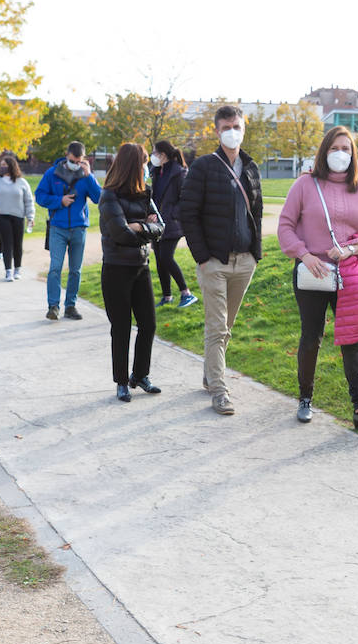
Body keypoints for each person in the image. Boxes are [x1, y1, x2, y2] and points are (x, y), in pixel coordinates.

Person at [277, 126, 358, 429]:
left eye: (346, 149)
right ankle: (305, 398)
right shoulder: (305, 185)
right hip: (312, 274)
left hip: (349, 277)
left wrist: (350, 249)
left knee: (352, 341)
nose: (341, 154)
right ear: (324, 151)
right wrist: (305, 254)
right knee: (311, 337)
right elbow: (285, 226)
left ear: (353, 155)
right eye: (334, 148)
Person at [178, 103, 263, 416]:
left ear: (244, 128)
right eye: (226, 127)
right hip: (214, 261)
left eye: (236, 126)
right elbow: (187, 213)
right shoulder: (203, 167)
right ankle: (219, 390)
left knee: (227, 326)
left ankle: (209, 374)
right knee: (217, 327)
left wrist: (256, 253)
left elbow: (257, 211)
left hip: (244, 262)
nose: (232, 131)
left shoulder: (250, 167)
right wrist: (202, 257)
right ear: (216, 130)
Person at [98, 142, 162, 402]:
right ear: (134, 165)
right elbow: (119, 233)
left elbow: (162, 227)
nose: (147, 167)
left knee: (148, 324)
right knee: (121, 327)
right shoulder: (109, 195)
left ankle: (140, 375)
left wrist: (138, 228)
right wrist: (142, 229)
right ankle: (122, 381)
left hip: (141, 267)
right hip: (116, 268)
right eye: (145, 162)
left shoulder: (145, 193)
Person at [36, 141, 102, 320]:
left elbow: (99, 198)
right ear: (67, 155)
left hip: (79, 228)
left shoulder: (86, 175)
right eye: (73, 160)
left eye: (79, 161)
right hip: (58, 227)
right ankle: (53, 306)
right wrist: (60, 200)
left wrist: (89, 176)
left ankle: (70, 306)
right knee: (55, 268)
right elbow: (40, 196)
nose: (76, 164)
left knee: (75, 270)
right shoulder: (52, 173)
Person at [150, 140, 197, 309]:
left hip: (171, 224)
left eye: (154, 152)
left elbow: (185, 200)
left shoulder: (179, 173)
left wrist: (170, 215)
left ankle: (186, 293)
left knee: (166, 257)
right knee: (159, 260)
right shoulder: (156, 172)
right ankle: (167, 296)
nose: (152, 156)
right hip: (156, 225)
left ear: (163, 154)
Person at [0, 155, 35, 282]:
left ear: (12, 166)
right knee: (7, 243)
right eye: (1, 165)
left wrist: (30, 217)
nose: (2, 167)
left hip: (18, 217)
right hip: (2, 216)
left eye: (5, 165)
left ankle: (17, 268)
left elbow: (28, 201)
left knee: (18, 244)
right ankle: (8, 271)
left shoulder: (22, 182)